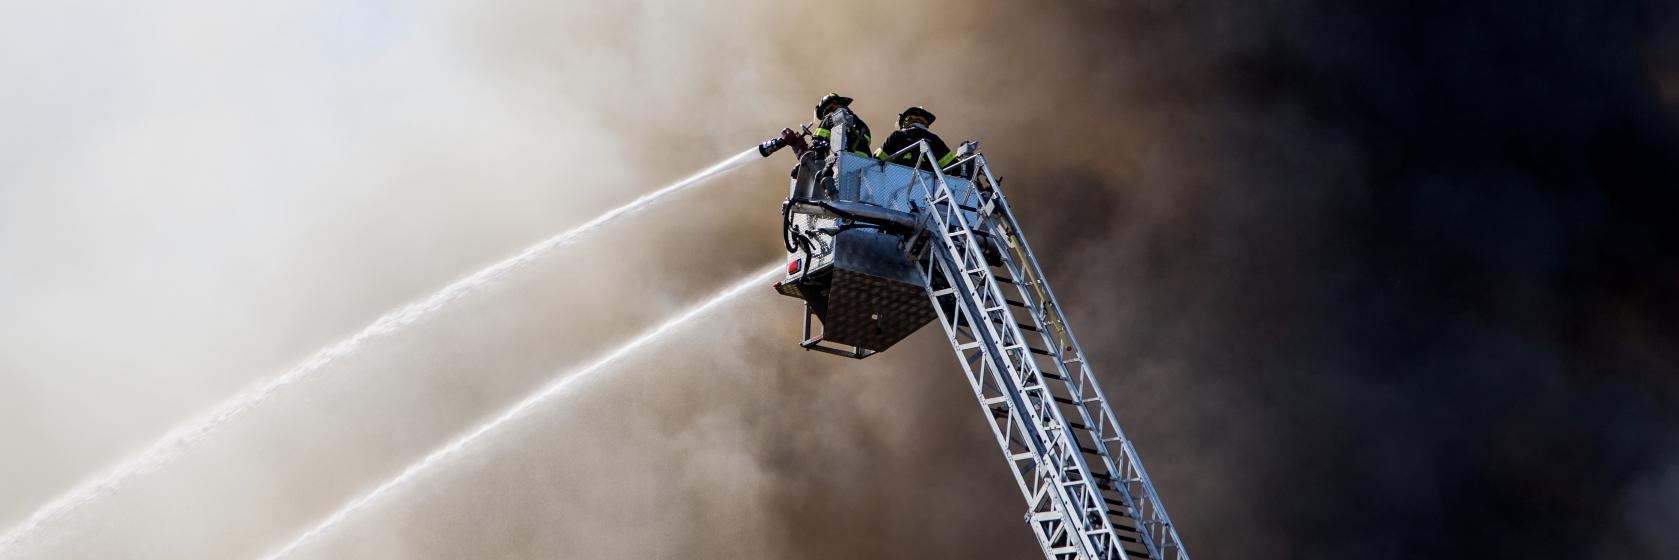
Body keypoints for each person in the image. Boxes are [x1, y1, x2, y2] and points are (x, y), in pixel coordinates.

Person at [874, 106, 956, 169]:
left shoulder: (897, 135)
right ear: (925, 123)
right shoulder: (934, 139)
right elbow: (953, 167)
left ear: (904, 122)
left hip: (897, 183)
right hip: (928, 186)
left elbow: (876, 160)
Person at [811, 92, 873, 157]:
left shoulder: (831, 118)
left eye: (828, 110)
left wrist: (818, 159)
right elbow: (868, 141)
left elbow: (818, 139)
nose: (828, 113)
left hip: (845, 158)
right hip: (866, 161)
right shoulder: (861, 123)